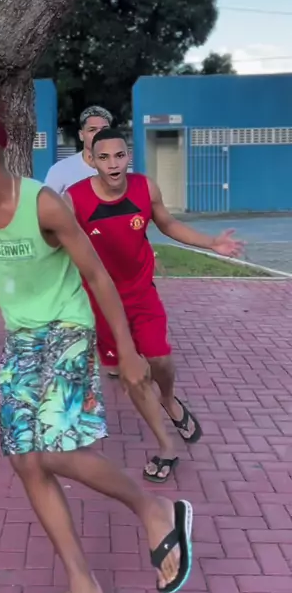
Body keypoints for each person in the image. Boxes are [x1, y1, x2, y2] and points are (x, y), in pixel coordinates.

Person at [0, 108, 194, 593]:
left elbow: (96, 276)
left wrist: (128, 351)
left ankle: (154, 509)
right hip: (21, 337)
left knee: (54, 452)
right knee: (25, 460)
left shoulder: (44, 204)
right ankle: (83, 589)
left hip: (67, 328)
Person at [67, 128, 244, 484]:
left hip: (141, 293)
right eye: (104, 157)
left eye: (120, 155)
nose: (113, 164)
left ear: (128, 157)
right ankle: (166, 446)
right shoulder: (73, 199)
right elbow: (57, 244)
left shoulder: (145, 188)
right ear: (91, 161)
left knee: (160, 359)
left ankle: (169, 399)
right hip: (101, 301)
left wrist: (211, 243)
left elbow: (167, 223)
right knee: (133, 376)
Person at [44, 106, 113, 195]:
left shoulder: (120, 169)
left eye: (105, 129)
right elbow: (45, 201)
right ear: (81, 135)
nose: (99, 134)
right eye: (92, 130)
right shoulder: (61, 170)